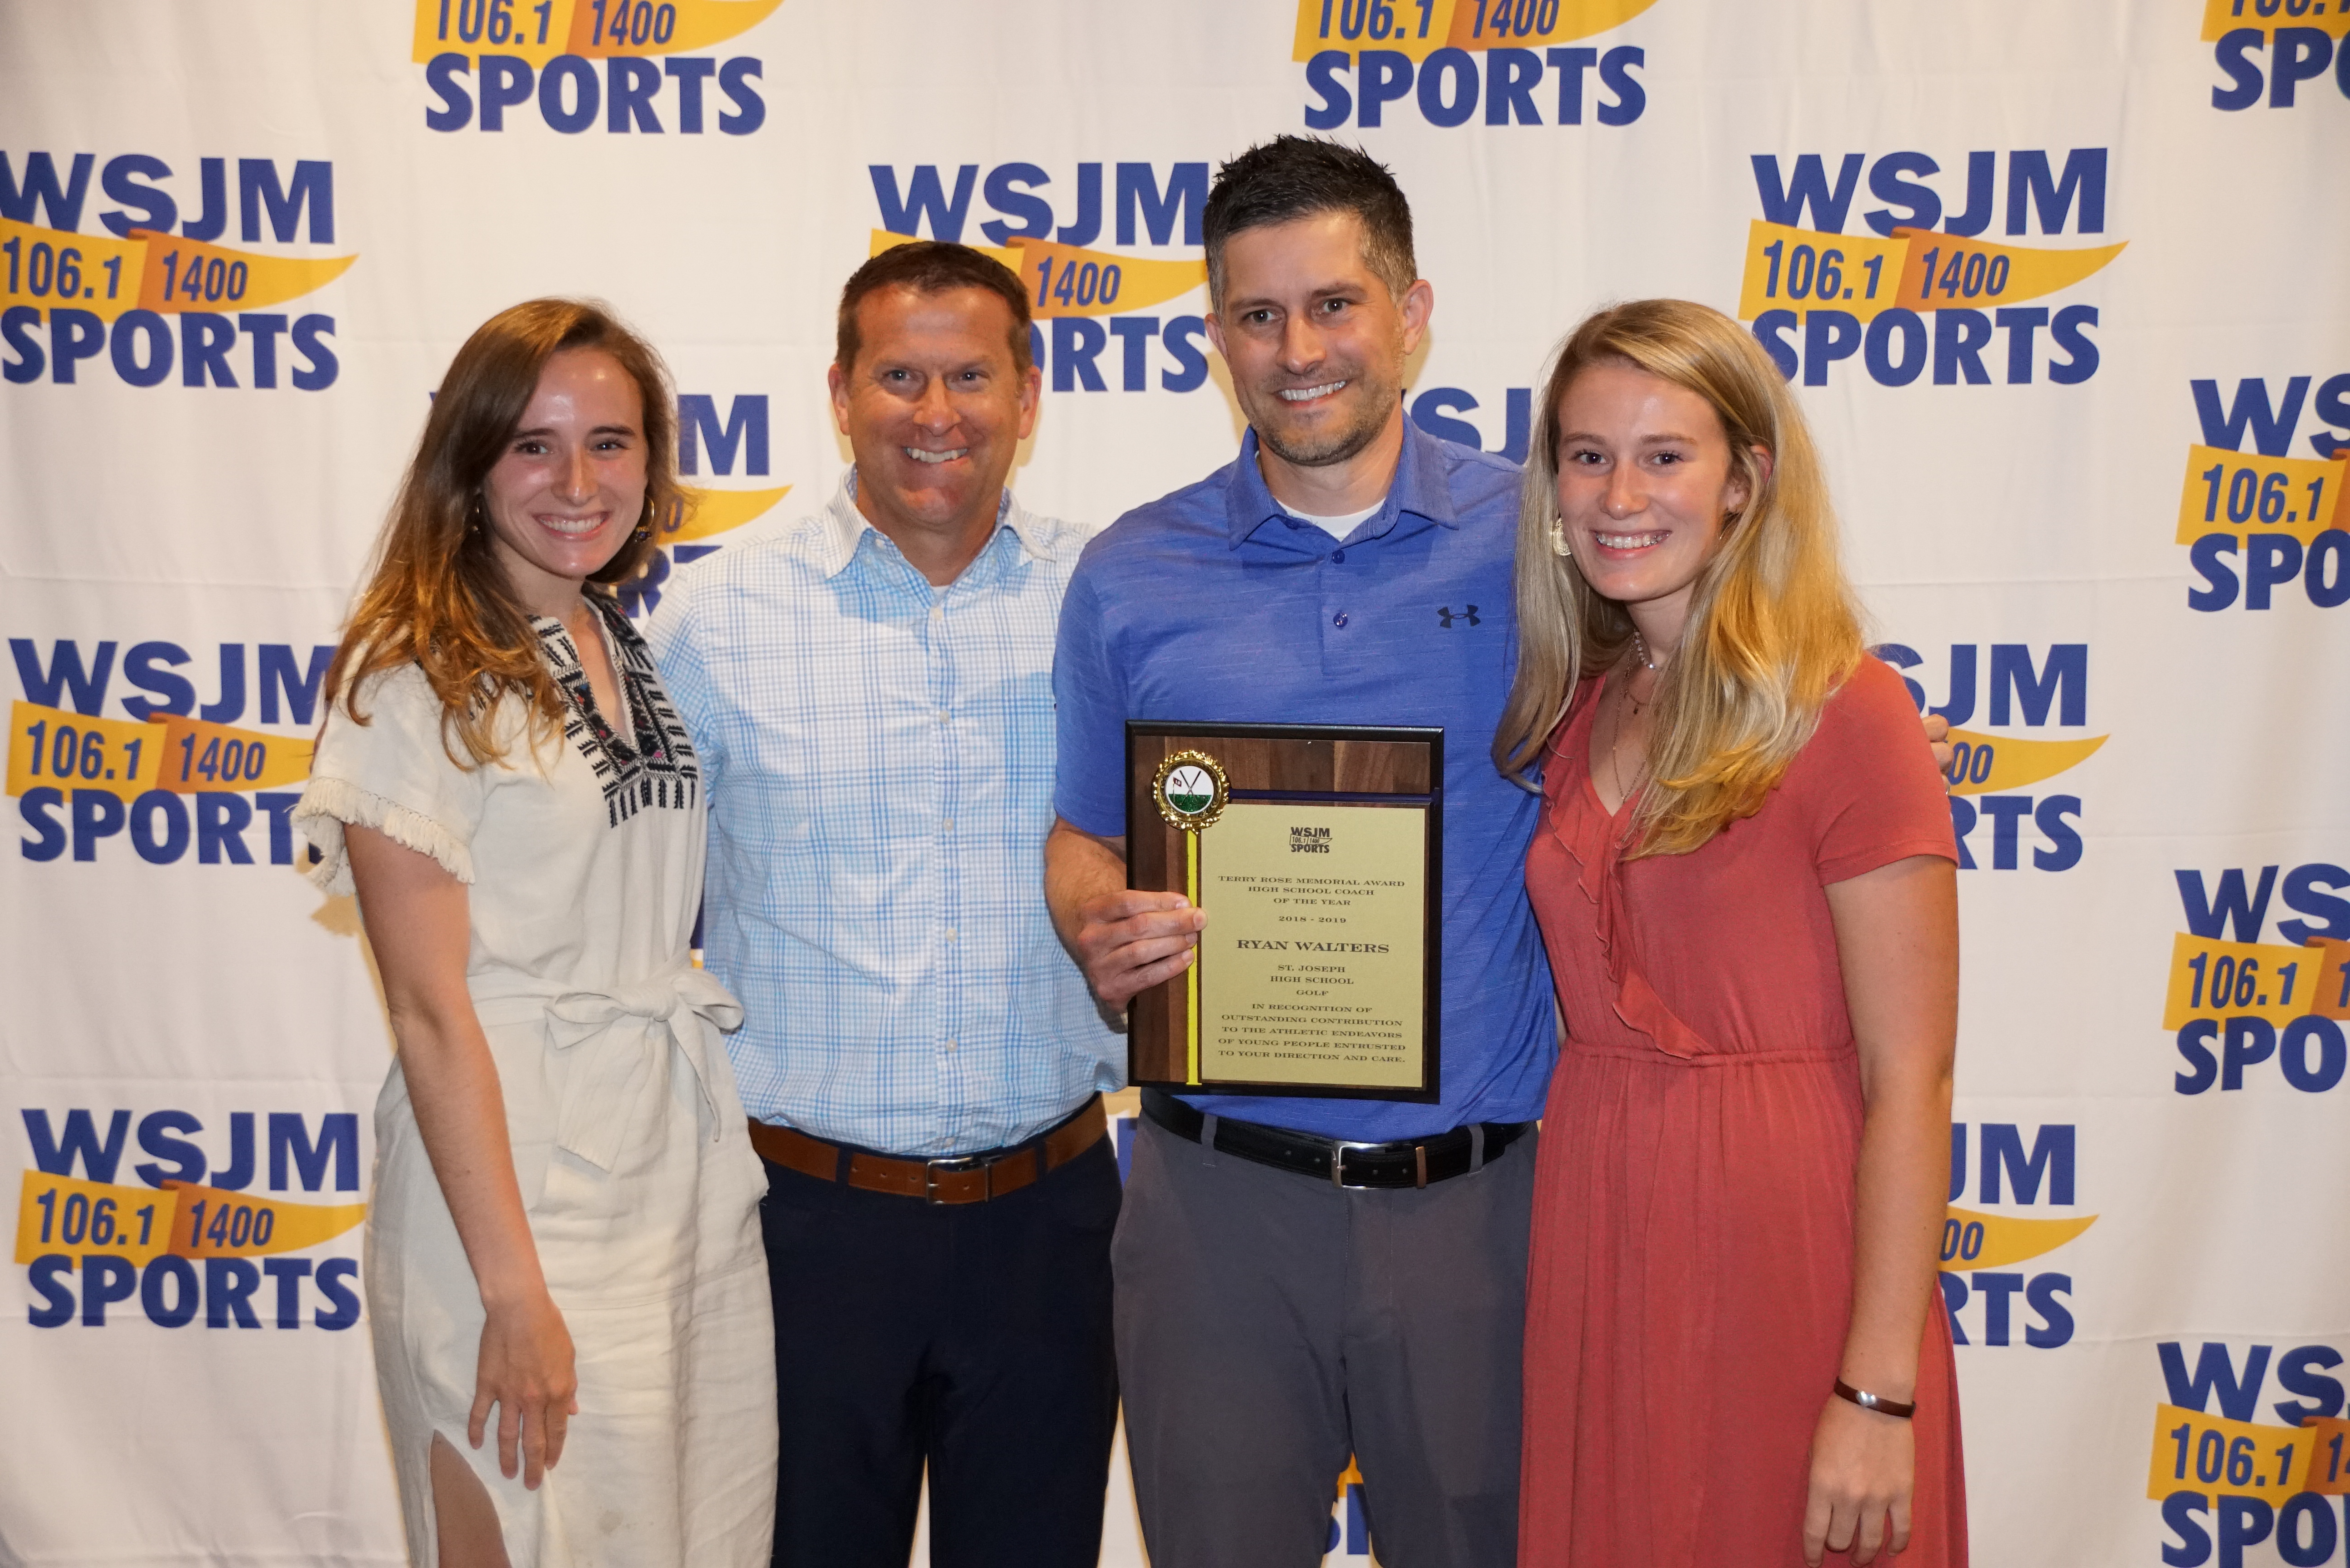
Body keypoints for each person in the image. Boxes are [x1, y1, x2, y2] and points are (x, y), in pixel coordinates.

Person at [1045, 136, 1551, 1567]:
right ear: (1217, 335)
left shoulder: (1544, 545)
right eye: (1257, 315)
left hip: (1475, 1205)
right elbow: (1084, 834)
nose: (1299, 350)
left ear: (1412, 311)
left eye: (1335, 305)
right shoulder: (1133, 571)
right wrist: (1099, 922)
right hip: (1216, 1206)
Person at [643, 241, 1124, 1568]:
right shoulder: (716, 620)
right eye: (900, 376)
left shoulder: (1110, 601)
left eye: (971, 376)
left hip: (1051, 1223)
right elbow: (629, 916)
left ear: (1029, 395)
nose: (936, 412)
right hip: (803, 1231)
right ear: (839, 393)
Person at [294, 299, 775, 1567]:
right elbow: (428, 1010)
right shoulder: (411, 672)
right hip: (511, 1195)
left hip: (668, 1172)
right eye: (533, 446)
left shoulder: (614, 633)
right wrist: (509, 1291)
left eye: (611, 443)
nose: (578, 483)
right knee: (530, 1527)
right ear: (470, 460)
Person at [1497, 299, 1966, 1568]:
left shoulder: (1848, 709)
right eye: (1588, 455)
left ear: (1746, 481)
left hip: (1786, 1240)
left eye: (1665, 455)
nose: (1619, 495)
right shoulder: (1581, 709)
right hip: (1602, 1218)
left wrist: (1876, 1392)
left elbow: (1914, 1078)